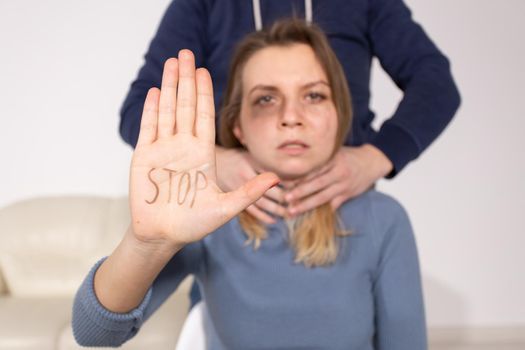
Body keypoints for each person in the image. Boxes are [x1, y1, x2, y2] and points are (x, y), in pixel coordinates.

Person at [73, 19, 426, 349]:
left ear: (339, 115)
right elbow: (94, 334)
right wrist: (146, 245)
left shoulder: (384, 220)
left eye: (314, 96)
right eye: (266, 99)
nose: (291, 118)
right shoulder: (208, 217)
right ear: (237, 126)